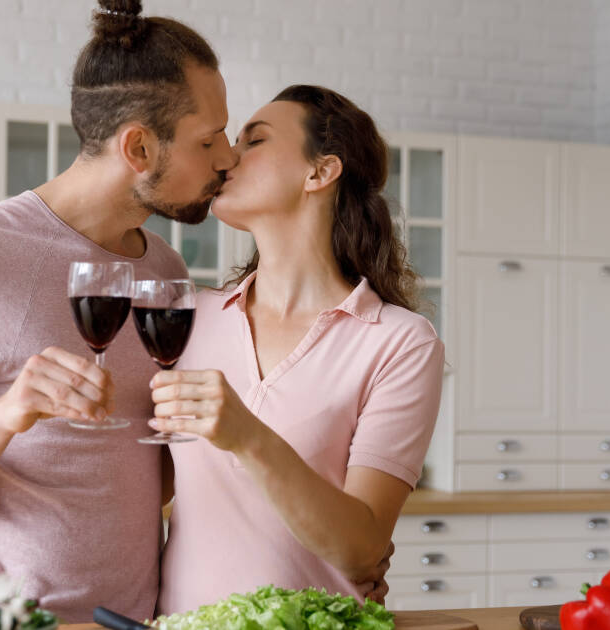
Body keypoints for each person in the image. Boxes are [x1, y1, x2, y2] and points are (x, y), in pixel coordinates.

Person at [0, 1, 235, 621]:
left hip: (138, 618)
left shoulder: (164, 270)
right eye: (208, 138)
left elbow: (138, 475)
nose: (226, 157)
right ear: (139, 148)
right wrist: (7, 415)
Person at [151, 85, 445, 614]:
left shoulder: (399, 342)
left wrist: (247, 437)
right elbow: (144, 484)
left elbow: (361, 549)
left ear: (320, 172)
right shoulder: (185, 319)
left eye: (254, 140)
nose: (228, 157)